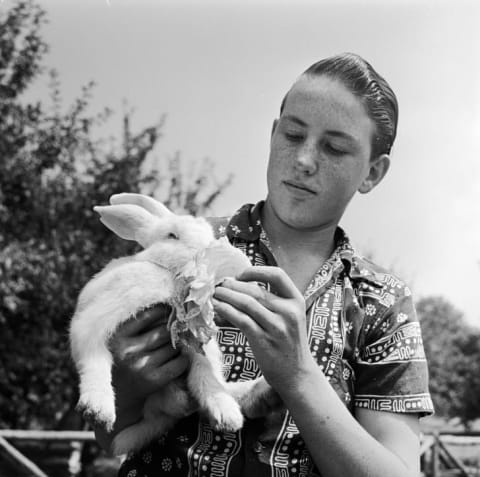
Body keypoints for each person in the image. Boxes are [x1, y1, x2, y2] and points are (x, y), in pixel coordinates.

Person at [95, 52, 434, 477]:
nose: (304, 159)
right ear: (274, 134)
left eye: (333, 147)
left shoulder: (383, 302)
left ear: (372, 173)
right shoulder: (183, 247)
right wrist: (126, 386)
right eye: (293, 135)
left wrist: (297, 376)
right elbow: (106, 432)